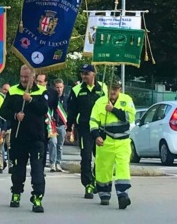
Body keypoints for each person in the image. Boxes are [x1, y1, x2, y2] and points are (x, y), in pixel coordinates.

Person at [0, 65, 48, 213]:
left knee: (37, 170)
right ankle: (16, 193)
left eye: (26, 77)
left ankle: (37, 197)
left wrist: (31, 100)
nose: (23, 80)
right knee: (18, 169)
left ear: (33, 77)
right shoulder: (13, 90)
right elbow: (3, 111)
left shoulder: (41, 91)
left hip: (36, 138)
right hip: (18, 138)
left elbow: (44, 109)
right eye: (21, 76)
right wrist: (15, 115)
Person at [90, 76, 135, 209]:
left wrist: (113, 110)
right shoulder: (100, 102)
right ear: (108, 89)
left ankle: (123, 195)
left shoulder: (127, 100)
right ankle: (104, 194)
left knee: (123, 168)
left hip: (123, 141)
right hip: (106, 141)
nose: (113, 91)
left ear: (120, 89)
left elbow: (130, 117)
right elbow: (93, 121)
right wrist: (96, 136)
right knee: (103, 168)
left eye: (116, 89)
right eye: (111, 88)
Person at [66, 64, 108, 199]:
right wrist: (68, 128)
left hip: (100, 129)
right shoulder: (77, 89)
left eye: (86, 73)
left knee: (100, 157)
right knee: (86, 157)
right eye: (82, 73)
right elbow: (71, 111)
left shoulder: (103, 88)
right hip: (84, 128)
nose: (84, 76)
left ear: (93, 74)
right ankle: (88, 184)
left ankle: (97, 179)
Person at [36, 73, 58, 169]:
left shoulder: (52, 93)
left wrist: (54, 121)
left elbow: (55, 107)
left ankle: (41, 167)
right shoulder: (33, 90)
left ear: (46, 82)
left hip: (47, 123)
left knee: (44, 145)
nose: (38, 83)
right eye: (37, 81)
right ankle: (36, 165)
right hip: (35, 122)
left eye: (40, 81)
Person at [48, 78, 68, 172]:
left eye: (60, 87)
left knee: (60, 145)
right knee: (53, 142)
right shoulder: (50, 97)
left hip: (62, 125)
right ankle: (52, 163)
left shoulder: (66, 98)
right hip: (52, 124)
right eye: (57, 87)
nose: (59, 89)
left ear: (63, 87)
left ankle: (58, 163)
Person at [0, 83, 10, 173]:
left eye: (8, 90)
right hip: (0, 127)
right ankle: (0, 167)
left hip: (9, 128)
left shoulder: (11, 100)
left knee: (10, 148)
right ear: (0, 89)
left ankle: (11, 166)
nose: (6, 92)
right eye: (4, 89)